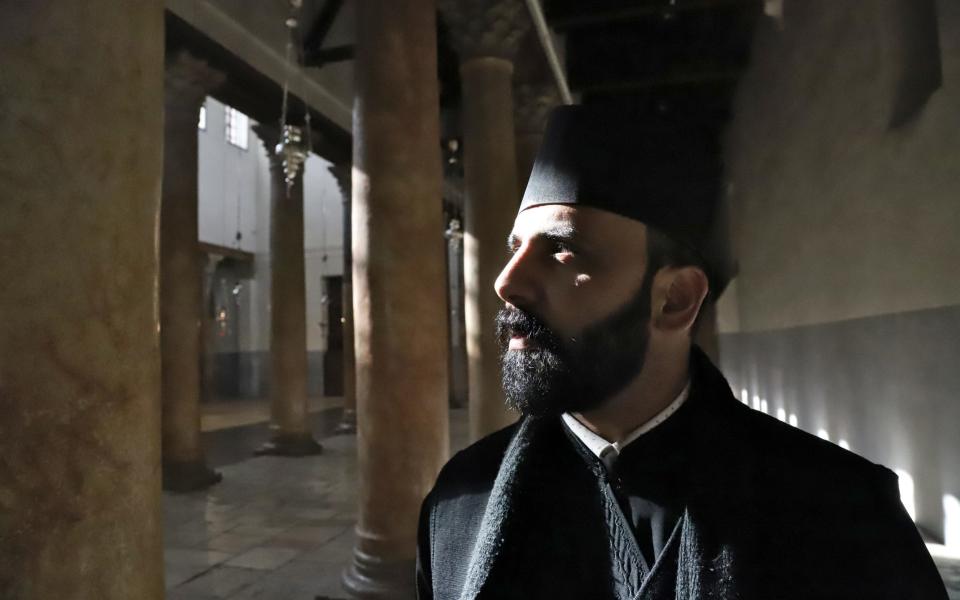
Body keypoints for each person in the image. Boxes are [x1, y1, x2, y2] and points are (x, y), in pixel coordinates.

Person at [416, 104, 947, 600]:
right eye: (515, 249)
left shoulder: (843, 510)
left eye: (561, 249)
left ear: (675, 299)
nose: (507, 283)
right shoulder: (459, 503)